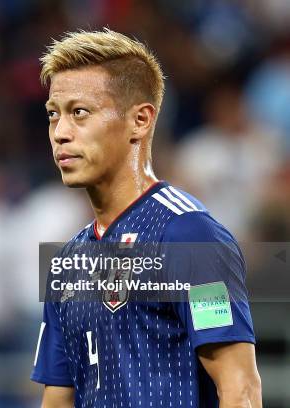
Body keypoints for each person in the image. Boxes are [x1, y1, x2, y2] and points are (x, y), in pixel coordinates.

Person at [31, 29, 262, 408]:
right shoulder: (67, 263)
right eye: (53, 115)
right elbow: (58, 399)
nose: (60, 133)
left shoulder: (190, 237)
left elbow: (240, 389)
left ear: (140, 120)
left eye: (79, 113)